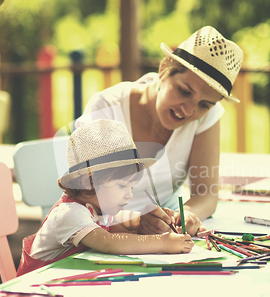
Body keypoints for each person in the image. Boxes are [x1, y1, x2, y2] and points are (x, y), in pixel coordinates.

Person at [75, 26, 243, 237]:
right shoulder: (106, 108)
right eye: (184, 91)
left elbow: (206, 195)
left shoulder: (207, 116)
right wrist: (136, 222)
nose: (189, 110)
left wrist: (185, 216)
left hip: (164, 237)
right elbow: (88, 201)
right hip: (105, 235)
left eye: (204, 104)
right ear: (164, 69)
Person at [16, 119, 193, 276]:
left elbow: (124, 221)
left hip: (63, 284)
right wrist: (163, 242)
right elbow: (109, 242)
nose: (129, 194)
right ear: (87, 181)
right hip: (33, 289)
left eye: (131, 186)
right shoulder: (70, 213)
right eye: (122, 185)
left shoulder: (98, 210)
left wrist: (144, 221)